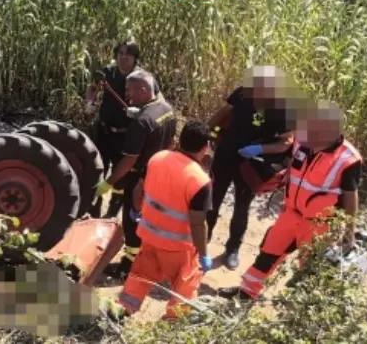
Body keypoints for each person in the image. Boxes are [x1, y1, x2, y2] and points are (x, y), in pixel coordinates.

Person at [218, 101, 364, 300]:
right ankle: (246, 293)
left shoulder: (348, 159)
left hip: (318, 226)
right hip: (290, 215)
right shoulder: (303, 141)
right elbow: (291, 161)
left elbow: (350, 195)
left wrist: (349, 232)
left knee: (309, 270)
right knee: (267, 254)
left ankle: (299, 313)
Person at [116, 122, 215, 320]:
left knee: (140, 277)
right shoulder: (199, 180)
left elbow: (138, 190)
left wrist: (136, 210)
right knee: (185, 286)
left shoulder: (157, 158)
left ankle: (121, 310)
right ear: (205, 148)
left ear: (180, 140)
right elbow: (197, 223)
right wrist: (203, 254)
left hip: (149, 237)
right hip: (179, 249)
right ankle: (172, 326)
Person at [204, 66, 296, 270]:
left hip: (250, 164)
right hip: (225, 154)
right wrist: (204, 131)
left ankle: (233, 249)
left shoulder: (281, 108)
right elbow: (224, 111)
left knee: (241, 206)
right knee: (212, 199)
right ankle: (202, 241)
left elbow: (287, 142)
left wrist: (259, 148)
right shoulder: (243, 92)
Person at [93, 69, 177, 277]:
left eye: (130, 91)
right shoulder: (167, 109)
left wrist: (108, 183)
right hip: (158, 172)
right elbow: (171, 142)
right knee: (146, 216)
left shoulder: (141, 123)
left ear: (143, 89)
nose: (127, 96)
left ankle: (128, 265)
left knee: (132, 220)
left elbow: (129, 159)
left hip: (139, 177)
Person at [84, 40, 158, 218]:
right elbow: (92, 87)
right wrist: (89, 102)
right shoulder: (107, 72)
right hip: (103, 131)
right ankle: (93, 213)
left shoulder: (143, 78)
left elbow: (156, 101)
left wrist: (141, 112)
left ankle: (110, 216)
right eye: (121, 53)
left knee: (120, 178)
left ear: (135, 58)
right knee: (96, 171)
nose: (124, 57)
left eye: (129, 54)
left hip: (126, 136)